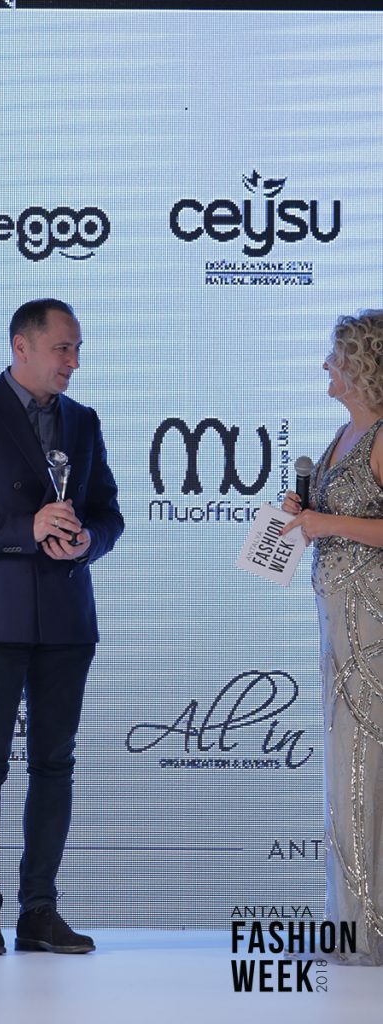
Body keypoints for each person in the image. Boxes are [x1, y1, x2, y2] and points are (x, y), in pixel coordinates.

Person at [0, 299, 123, 955]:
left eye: (77, 349)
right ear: (22, 347)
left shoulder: (83, 421)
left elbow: (108, 514)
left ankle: (39, 911)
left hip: (66, 616)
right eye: (63, 348)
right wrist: (26, 528)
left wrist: (88, 541)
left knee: (54, 763)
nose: (73, 362)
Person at [282, 310, 383, 965]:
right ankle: (350, 922)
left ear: (362, 366)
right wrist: (305, 513)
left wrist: (327, 522)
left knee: (366, 765)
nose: (326, 365)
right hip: (338, 624)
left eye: (335, 357)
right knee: (348, 768)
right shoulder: (345, 433)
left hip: (373, 624)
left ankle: (366, 930)